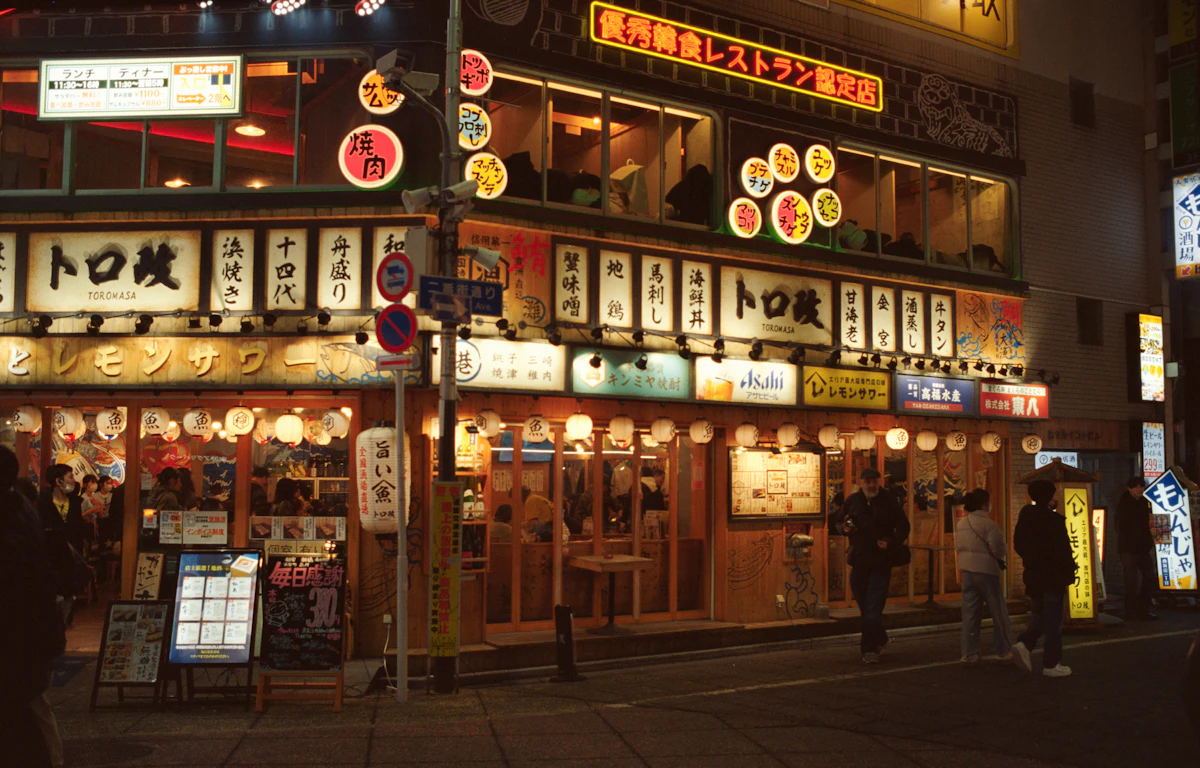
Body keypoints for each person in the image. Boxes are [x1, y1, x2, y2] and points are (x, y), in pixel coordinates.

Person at [1, 446, 66, 768]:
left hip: (17, 636)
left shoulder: (13, 519)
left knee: (25, 714)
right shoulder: (23, 512)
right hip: (31, 635)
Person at [832, 467, 911, 664]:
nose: (871, 485)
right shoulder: (852, 501)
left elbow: (904, 526)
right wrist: (845, 529)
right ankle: (881, 638)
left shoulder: (888, 500)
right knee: (865, 605)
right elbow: (838, 522)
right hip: (859, 560)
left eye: (874, 481)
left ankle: (869, 650)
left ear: (879, 482)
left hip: (881, 561)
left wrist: (891, 542)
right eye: (867, 481)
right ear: (861, 483)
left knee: (873, 606)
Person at [1012, 480, 1077, 678]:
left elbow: (1018, 545)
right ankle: (1051, 663)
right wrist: (1069, 570)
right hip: (1053, 576)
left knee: (1040, 613)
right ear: (1048, 496)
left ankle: (1025, 644)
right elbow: (1064, 551)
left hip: (1034, 575)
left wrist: (1032, 560)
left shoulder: (1025, 517)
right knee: (1053, 621)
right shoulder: (1054, 521)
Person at [955, 488, 1012, 663]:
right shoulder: (990, 525)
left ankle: (969, 653)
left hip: (968, 573)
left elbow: (959, 547)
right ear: (984, 504)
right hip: (987, 572)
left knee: (970, 615)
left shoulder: (961, 524)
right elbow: (999, 550)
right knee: (998, 612)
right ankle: (1003, 650)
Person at [1116, 476, 1156, 620]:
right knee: (1131, 581)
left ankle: (1143, 609)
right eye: (1136, 486)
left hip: (1142, 547)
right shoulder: (1124, 503)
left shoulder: (1144, 502)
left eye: (1141, 486)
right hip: (1129, 547)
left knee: (1149, 577)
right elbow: (1120, 526)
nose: (1140, 489)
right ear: (1129, 489)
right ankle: (1131, 611)